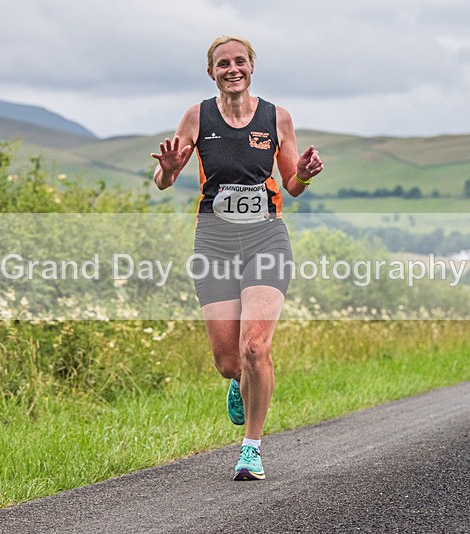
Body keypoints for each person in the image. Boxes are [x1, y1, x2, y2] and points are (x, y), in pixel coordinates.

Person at [151, 35, 323, 480]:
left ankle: (252, 448)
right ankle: (237, 381)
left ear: (252, 67)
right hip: (213, 242)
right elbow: (163, 181)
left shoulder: (276, 117)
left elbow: (292, 185)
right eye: (223, 63)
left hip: (266, 239)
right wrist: (169, 167)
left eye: (240, 61)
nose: (233, 69)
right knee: (229, 361)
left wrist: (302, 173)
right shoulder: (197, 116)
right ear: (212, 72)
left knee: (255, 347)